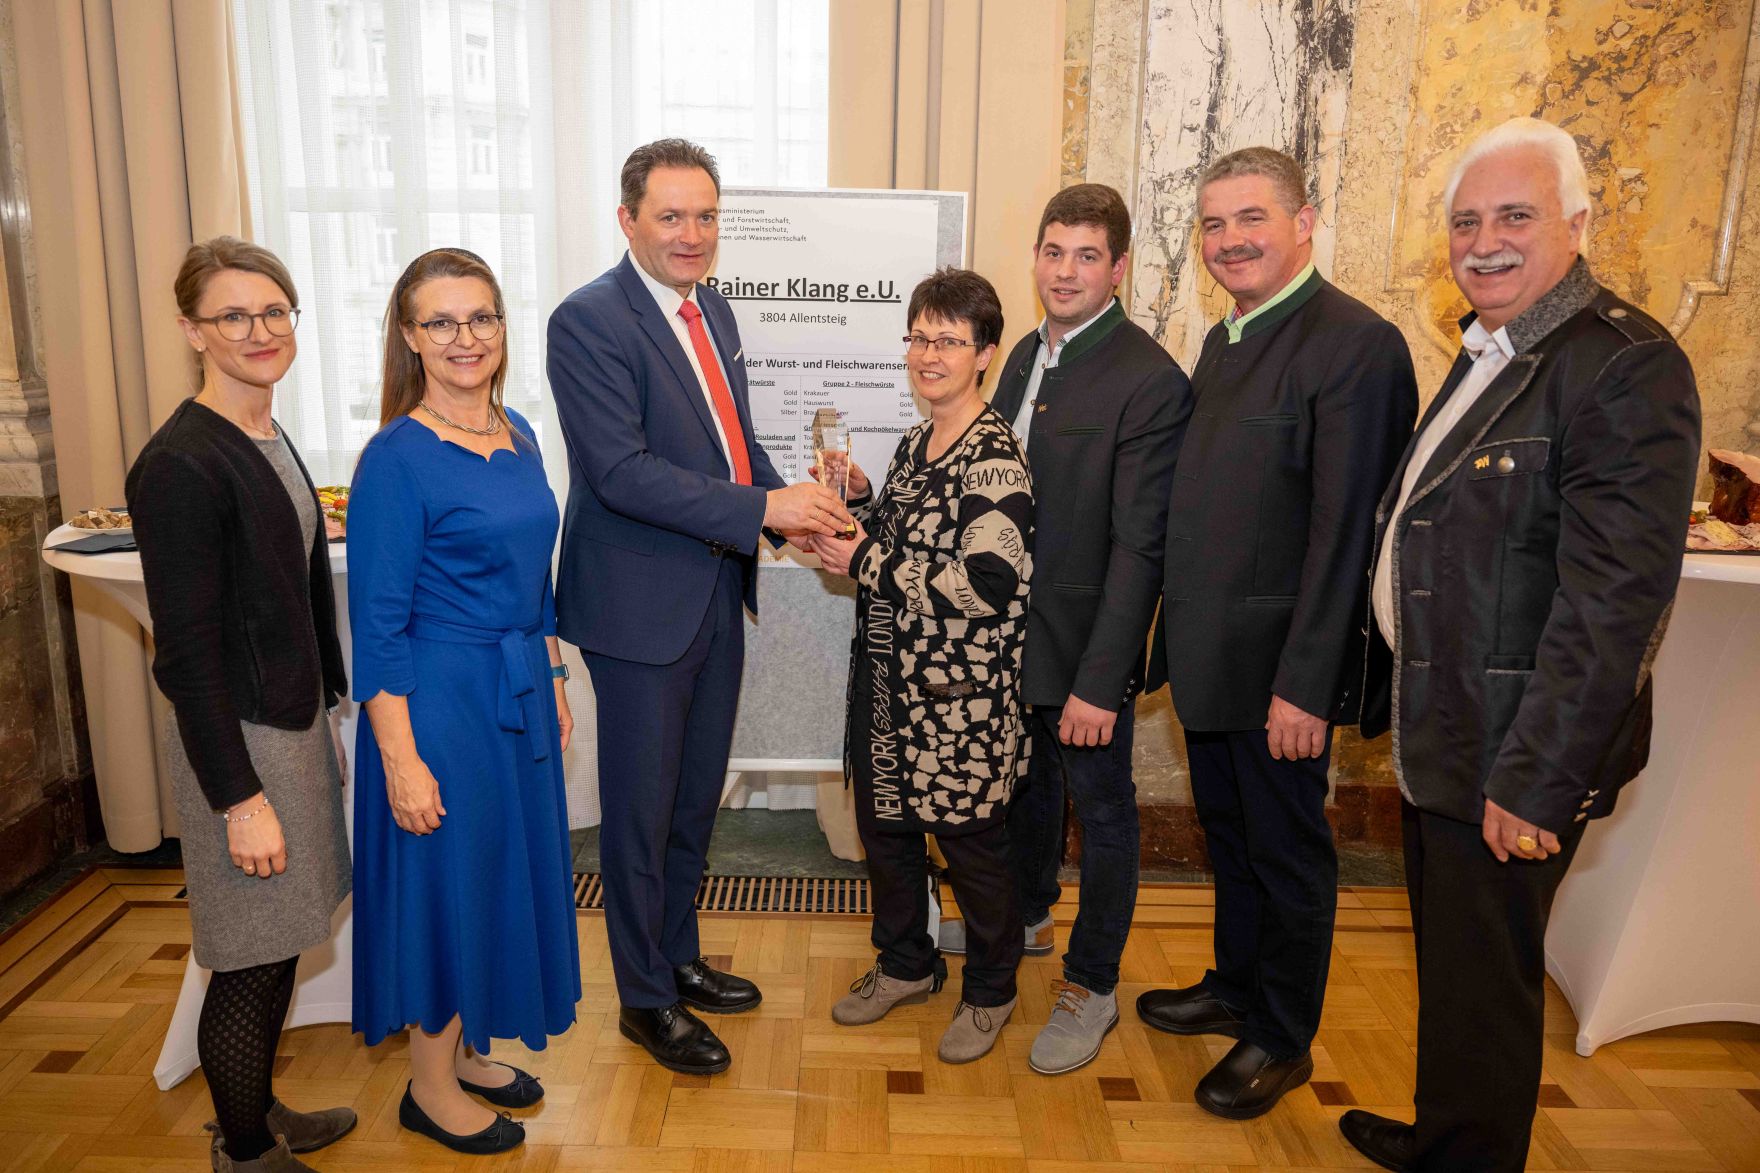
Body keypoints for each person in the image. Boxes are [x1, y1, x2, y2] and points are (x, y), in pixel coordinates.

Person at [1339, 117, 1701, 1172]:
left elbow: (1612, 606)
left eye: (1513, 216)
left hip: (1510, 755)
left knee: (1488, 978)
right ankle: (1444, 1133)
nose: (1482, 240)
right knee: (1456, 968)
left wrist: (1536, 781)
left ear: (1577, 223)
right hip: (1445, 731)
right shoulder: (1491, 349)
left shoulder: (1623, 369)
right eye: (1463, 221)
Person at [547, 139, 851, 1075]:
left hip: (718, 589)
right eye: (671, 216)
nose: (692, 234)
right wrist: (765, 508)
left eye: (706, 216)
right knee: (638, 816)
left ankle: (677, 957)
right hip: (639, 608)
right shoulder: (588, 321)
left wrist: (790, 508)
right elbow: (623, 472)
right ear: (628, 218)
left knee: (690, 804)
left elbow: (729, 441)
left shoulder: (710, 308)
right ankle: (644, 999)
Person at [1136, 147, 1418, 1119]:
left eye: (1249, 218)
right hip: (1213, 662)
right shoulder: (1225, 339)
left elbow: (1349, 535)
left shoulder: (1354, 345)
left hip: (1278, 679)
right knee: (1231, 836)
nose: (1228, 241)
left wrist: (1307, 682)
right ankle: (1233, 983)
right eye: (1211, 224)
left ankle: (1280, 1034)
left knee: (1287, 850)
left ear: (1304, 221)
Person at [950, 183, 1192, 1075]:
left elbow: (1141, 547)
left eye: (1087, 255)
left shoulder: (1149, 380)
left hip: (1087, 647)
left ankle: (1092, 985)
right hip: (1011, 638)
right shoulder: (1021, 353)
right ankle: (1030, 913)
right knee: (1028, 790)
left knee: (1104, 809)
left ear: (1119, 268)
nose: (1065, 270)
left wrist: (1103, 675)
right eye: (1054, 251)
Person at [127, 236, 355, 1173]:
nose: (259, 331)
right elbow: (184, 654)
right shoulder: (179, 464)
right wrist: (239, 799)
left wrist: (331, 709)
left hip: (287, 726)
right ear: (192, 329)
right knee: (250, 953)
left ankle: (258, 1111)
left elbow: (290, 587)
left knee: (283, 940)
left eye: (274, 312)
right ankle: (245, 1151)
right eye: (233, 315)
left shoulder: (262, 427)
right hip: (240, 742)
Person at [349, 248, 579, 1156]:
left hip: (515, 687)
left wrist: (553, 676)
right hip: (437, 704)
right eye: (441, 322)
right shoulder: (397, 459)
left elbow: (536, 579)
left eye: (480, 317)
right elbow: (377, 627)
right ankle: (428, 1084)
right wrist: (401, 760)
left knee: (494, 873)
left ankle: (470, 1043)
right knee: (446, 882)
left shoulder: (515, 428)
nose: (465, 338)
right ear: (409, 337)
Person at [812, 268, 1034, 1063]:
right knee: (889, 834)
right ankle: (907, 962)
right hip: (887, 684)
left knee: (973, 848)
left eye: (948, 340)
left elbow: (988, 582)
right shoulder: (916, 442)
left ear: (986, 353)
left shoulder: (994, 456)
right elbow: (907, 545)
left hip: (957, 700)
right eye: (919, 337)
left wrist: (865, 553)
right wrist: (867, 503)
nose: (928, 354)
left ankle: (991, 988)